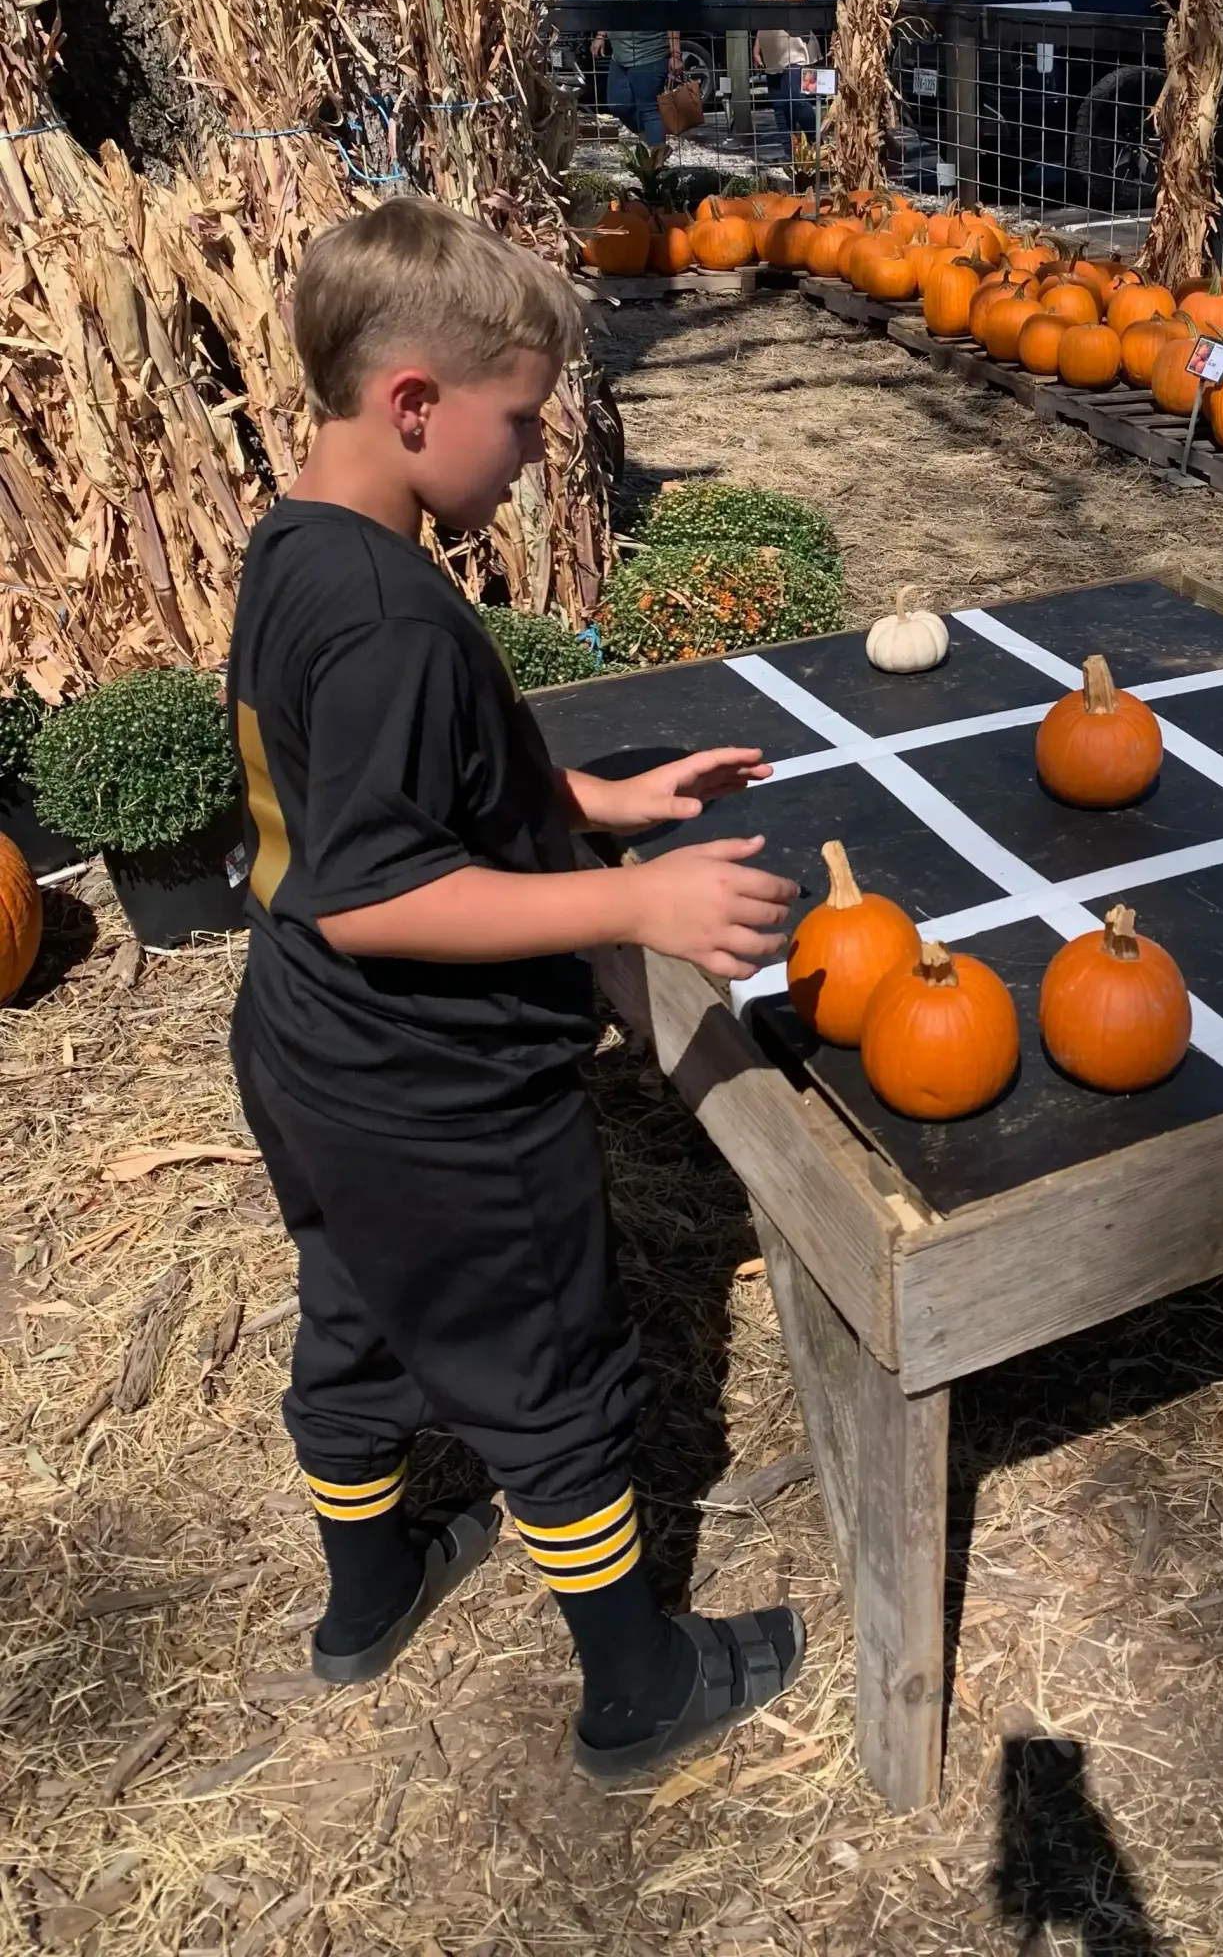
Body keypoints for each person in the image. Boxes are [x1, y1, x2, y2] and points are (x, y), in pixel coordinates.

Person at [224, 199, 804, 1784]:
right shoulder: (397, 618)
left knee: (353, 1310)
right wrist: (637, 896)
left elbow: (385, 789)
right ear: (414, 401)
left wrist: (587, 803)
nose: (539, 451)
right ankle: (636, 1686)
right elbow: (382, 896)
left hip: (307, 1055)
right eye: (522, 420)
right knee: (542, 1362)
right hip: (441, 1089)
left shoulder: (307, 547)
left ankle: (371, 1592)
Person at [591, 0, 682, 143]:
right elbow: (609, 8)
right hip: (620, 56)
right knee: (617, 105)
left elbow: (673, 16)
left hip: (649, 55)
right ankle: (650, 139)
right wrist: (600, 36)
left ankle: (657, 159)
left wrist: (676, 54)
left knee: (648, 108)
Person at [749, 0, 818, 141]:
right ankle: (790, 154)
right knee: (779, 106)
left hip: (799, 54)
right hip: (773, 56)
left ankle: (816, 141)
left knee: (797, 100)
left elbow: (796, 19)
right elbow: (761, 24)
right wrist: (757, 47)